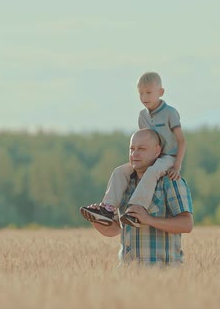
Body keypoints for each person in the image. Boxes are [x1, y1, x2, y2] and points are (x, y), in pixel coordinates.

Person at [81, 71, 186, 227]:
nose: (144, 97)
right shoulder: (142, 116)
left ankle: (136, 210)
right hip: (151, 156)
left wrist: (176, 166)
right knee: (119, 171)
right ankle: (108, 209)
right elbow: (144, 139)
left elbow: (181, 140)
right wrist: (138, 157)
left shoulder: (170, 113)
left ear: (161, 92)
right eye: (141, 93)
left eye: (149, 93)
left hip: (167, 157)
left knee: (153, 171)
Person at [80, 129, 193, 265]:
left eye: (141, 149)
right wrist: (97, 221)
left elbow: (187, 224)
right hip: (128, 274)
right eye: (132, 149)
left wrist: (148, 219)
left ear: (157, 151)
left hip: (163, 275)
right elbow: (116, 230)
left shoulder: (171, 181)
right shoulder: (123, 183)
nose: (134, 154)